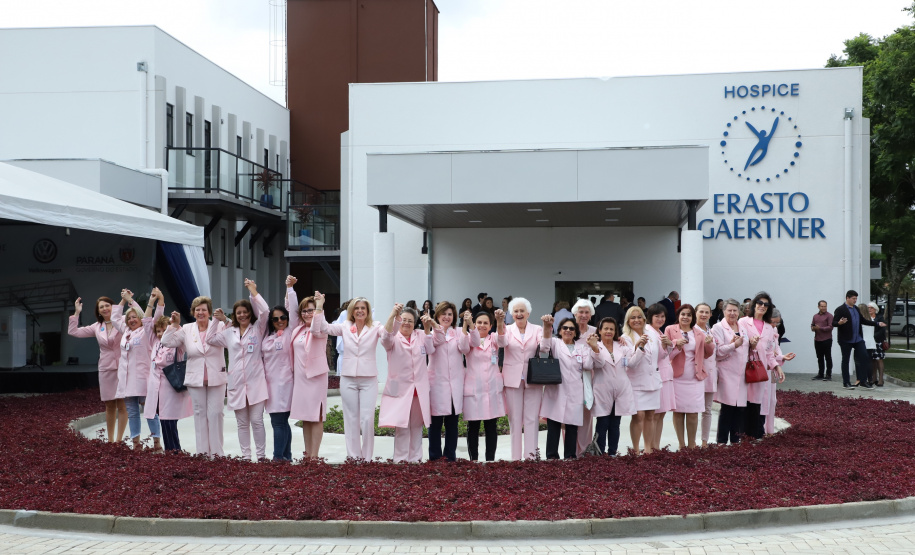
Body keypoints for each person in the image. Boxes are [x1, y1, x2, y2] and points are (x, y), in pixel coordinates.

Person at [312, 297, 384, 460]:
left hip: (368, 378)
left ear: (367, 311)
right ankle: (353, 457)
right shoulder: (345, 326)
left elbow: (386, 336)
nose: (360, 311)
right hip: (348, 378)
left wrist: (395, 318)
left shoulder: (375, 326)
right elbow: (324, 327)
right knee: (350, 418)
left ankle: (366, 458)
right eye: (356, 308)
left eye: (363, 308)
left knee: (367, 419)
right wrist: (319, 305)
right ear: (351, 311)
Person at [208, 279, 270, 461]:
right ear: (235, 315)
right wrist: (215, 319)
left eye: (245, 312)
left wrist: (253, 292)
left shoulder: (258, 329)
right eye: (239, 313)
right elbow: (210, 339)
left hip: (256, 382)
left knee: (257, 421)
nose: (242, 315)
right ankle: (245, 457)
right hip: (236, 383)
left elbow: (265, 311)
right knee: (242, 423)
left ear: (250, 314)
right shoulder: (229, 332)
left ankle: (261, 456)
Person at [161, 295, 227, 457]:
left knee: (216, 413)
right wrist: (173, 325)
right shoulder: (187, 328)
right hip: (195, 377)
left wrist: (224, 319)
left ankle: (217, 453)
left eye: (204, 310)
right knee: (199, 413)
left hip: (216, 376)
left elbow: (229, 341)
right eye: (197, 310)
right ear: (193, 312)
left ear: (209, 312)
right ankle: (203, 452)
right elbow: (166, 342)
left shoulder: (218, 326)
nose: (201, 312)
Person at [68, 294, 127, 443]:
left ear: (113, 307)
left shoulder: (123, 320)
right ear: (98, 311)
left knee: (122, 404)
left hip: (123, 367)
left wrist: (127, 300)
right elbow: (73, 331)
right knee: (109, 405)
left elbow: (140, 319)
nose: (105, 308)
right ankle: (111, 440)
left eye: (107, 305)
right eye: (102, 307)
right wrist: (77, 312)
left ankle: (119, 440)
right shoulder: (96, 327)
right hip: (106, 368)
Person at [113, 288, 164, 451]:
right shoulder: (126, 332)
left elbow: (150, 317)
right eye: (129, 318)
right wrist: (123, 300)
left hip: (143, 378)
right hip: (127, 380)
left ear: (140, 318)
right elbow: (114, 318)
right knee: (133, 412)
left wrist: (131, 301)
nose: (132, 320)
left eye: (135, 317)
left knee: (149, 411)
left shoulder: (146, 331)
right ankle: (136, 444)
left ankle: (156, 442)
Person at [379, 304, 432, 463]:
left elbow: (431, 348)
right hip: (400, 390)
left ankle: (415, 459)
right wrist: (393, 315)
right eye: (403, 320)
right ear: (398, 320)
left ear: (415, 322)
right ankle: (401, 460)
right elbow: (385, 337)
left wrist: (428, 327)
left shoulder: (421, 335)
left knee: (416, 427)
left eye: (410, 320)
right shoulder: (393, 338)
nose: (407, 323)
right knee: (401, 427)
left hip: (418, 389)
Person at [538, 314, 593, 459]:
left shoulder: (582, 347)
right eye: (565, 328)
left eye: (571, 328)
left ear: (575, 332)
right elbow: (543, 348)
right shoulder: (555, 343)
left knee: (572, 426)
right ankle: (551, 457)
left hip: (575, 390)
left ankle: (570, 456)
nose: (568, 330)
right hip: (556, 389)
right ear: (560, 330)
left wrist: (593, 348)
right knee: (554, 425)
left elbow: (587, 365)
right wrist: (546, 326)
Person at [496, 297, 543, 460]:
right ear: (511, 314)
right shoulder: (506, 329)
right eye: (516, 311)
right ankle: (516, 458)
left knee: (532, 419)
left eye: (522, 311)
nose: (519, 313)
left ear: (528, 313)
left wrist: (549, 329)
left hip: (533, 378)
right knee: (515, 420)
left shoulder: (537, 329)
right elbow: (501, 343)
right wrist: (499, 323)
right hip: (512, 378)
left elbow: (544, 347)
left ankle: (531, 457)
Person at [665, 304, 714, 450]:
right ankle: (681, 444)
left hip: (695, 377)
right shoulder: (670, 329)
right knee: (678, 412)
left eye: (689, 315)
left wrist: (709, 344)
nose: (685, 317)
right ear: (678, 316)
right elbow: (664, 351)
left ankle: (692, 445)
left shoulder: (698, 333)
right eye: (683, 314)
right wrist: (675, 343)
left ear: (693, 318)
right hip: (677, 377)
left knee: (693, 412)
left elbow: (707, 353)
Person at [459, 310, 505, 461]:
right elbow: (464, 347)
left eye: (485, 323)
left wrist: (499, 322)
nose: (482, 325)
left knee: (491, 427)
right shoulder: (471, 340)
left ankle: (490, 460)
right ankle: (474, 460)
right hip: (475, 390)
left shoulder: (494, 339)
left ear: (490, 325)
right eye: (479, 322)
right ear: (474, 324)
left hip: (491, 388)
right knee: (473, 427)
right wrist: (468, 325)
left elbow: (503, 340)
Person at [262, 275, 299, 461]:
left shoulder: (290, 332)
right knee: (281, 423)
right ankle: (286, 456)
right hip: (269, 386)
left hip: (284, 384)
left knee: (278, 422)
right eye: (276, 319)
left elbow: (293, 309)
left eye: (283, 317)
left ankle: (277, 458)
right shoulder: (267, 336)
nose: (280, 320)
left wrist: (290, 289)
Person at [290, 291, 331, 459]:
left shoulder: (321, 327)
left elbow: (315, 328)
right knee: (306, 417)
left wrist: (319, 305)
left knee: (316, 417)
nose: (307, 314)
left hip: (316, 378)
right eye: (304, 311)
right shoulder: (298, 329)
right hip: (300, 379)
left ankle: (314, 456)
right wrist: (290, 289)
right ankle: (307, 454)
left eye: (310, 310)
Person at [587, 317, 636, 455]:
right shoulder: (594, 346)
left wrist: (639, 347)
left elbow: (632, 362)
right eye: (606, 329)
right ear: (600, 331)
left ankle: (613, 452)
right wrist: (595, 348)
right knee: (602, 423)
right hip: (602, 389)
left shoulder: (622, 346)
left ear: (616, 332)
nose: (608, 331)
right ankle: (599, 452)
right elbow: (599, 364)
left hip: (620, 390)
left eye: (612, 329)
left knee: (615, 424)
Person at [146, 310, 193, 452]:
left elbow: (182, 336)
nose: (160, 334)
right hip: (157, 387)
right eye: (158, 331)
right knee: (163, 420)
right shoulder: (156, 344)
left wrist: (175, 326)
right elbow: (146, 323)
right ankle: (170, 451)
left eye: (163, 330)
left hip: (170, 387)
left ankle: (175, 451)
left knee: (170, 420)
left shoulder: (177, 345)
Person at [426, 301, 467, 461]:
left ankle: (450, 457)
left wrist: (465, 327)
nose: (447, 317)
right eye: (444, 313)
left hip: (454, 385)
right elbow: (429, 349)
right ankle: (435, 457)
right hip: (437, 384)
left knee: (452, 424)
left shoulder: (458, 331)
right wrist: (432, 328)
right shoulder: (430, 332)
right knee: (435, 424)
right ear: (437, 315)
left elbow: (465, 348)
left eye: (450, 314)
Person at [739, 292, 780, 439]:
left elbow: (769, 352)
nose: (762, 306)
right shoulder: (743, 322)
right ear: (754, 304)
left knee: (758, 400)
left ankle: (755, 433)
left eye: (766, 304)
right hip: (745, 367)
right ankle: (742, 432)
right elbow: (738, 342)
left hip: (761, 369)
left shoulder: (769, 327)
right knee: (744, 399)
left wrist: (777, 366)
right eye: (760, 303)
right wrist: (750, 343)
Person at [622, 306, 659, 454]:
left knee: (650, 415)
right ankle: (636, 449)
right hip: (636, 382)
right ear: (628, 321)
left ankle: (648, 449)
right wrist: (640, 347)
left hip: (653, 380)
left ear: (644, 319)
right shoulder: (624, 338)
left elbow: (659, 356)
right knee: (639, 416)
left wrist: (669, 346)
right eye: (633, 318)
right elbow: (630, 363)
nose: (636, 320)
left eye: (639, 317)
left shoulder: (652, 334)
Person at [712, 299, 749, 444]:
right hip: (727, 372)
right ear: (724, 311)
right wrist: (733, 345)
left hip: (741, 373)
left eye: (735, 310)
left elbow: (745, 347)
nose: (732, 313)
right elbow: (718, 352)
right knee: (727, 408)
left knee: (739, 408)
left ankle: (735, 439)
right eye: (729, 310)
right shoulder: (718, 327)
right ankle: (721, 441)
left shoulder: (742, 327)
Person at [833, 290, 886, 390]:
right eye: (853, 298)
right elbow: (834, 323)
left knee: (865, 357)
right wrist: (839, 323)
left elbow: (864, 321)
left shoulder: (856, 309)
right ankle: (846, 382)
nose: (855, 300)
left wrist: (877, 323)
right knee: (846, 360)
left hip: (858, 339)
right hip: (845, 339)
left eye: (856, 298)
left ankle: (863, 381)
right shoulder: (840, 309)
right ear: (847, 298)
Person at [570, 299, 597, 456]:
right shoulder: (568, 329)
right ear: (575, 314)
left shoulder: (595, 331)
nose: (584, 315)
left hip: (589, 378)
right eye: (581, 312)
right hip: (570, 377)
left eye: (587, 312)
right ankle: (571, 451)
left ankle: (585, 450)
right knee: (570, 414)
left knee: (587, 414)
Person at [646, 303, 674, 451]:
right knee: (655, 415)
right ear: (650, 317)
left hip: (666, 375)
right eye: (657, 316)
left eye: (662, 316)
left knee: (661, 414)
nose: (660, 319)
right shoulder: (648, 332)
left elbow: (667, 355)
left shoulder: (660, 332)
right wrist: (668, 346)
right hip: (658, 376)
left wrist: (671, 345)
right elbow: (655, 356)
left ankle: (656, 445)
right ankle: (650, 446)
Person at [764, 308, 795, 435]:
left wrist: (781, 357)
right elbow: (765, 351)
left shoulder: (774, 330)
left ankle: (769, 430)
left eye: (777, 323)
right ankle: (761, 430)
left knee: (772, 400)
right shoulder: (762, 330)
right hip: (763, 368)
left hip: (772, 367)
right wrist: (776, 359)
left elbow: (776, 348)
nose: (774, 325)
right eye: (773, 322)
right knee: (763, 400)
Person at [695, 303, 719, 448]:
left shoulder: (711, 331)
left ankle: (704, 441)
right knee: (691, 410)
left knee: (707, 409)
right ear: (696, 313)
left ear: (710, 314)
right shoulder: (692, 331)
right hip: (697, 374)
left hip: (710, 374)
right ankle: (690, 441)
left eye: (706, 312)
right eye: (701, 312)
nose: (704, 315)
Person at [810, 300, 834, 381]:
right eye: (822, 306)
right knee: (819, 357)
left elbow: (830, 327)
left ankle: (828, 374)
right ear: (818, 307)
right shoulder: (815, 316)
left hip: (827, 339)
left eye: (825, 306)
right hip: (817, 339)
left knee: (828, 357)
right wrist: (813, 328)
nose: (824, 308)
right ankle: (820, 374)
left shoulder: (829, 316)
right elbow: (812, 326)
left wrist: (819, 328)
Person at [869, 302, 887, 386]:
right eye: (868, 308)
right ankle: (873, 378)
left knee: (879, 359)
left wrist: (873, 336)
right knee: (872, 360)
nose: (869, 309)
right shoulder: (867, 318)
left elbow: (882, 330)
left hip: (878, 341)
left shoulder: (880, 318)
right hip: (870, 342)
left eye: (871, 308)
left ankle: (881, 379)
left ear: (875, 309)